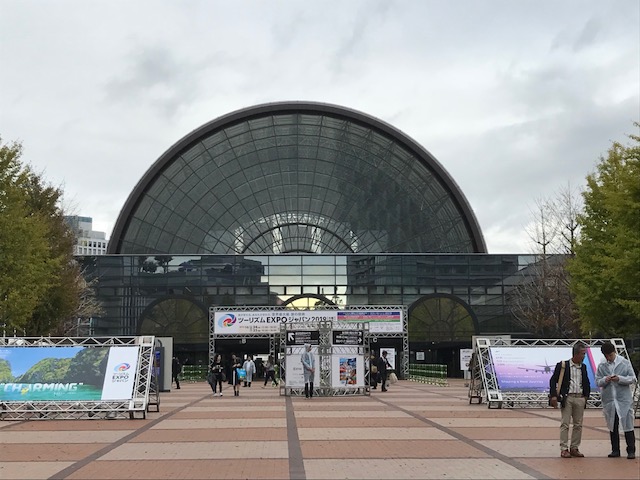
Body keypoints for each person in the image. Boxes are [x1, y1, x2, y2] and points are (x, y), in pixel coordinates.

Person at [549, 342, 591, 458]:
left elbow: (586, 381)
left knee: (578, 424)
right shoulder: (563, 365)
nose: (584, 356)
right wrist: (553, 395)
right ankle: (564, 448)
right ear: (576, 354)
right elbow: (553, 380)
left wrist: (586, 396)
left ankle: (574, 447)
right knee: (565, 423)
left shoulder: (583, 367)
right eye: (583, 354)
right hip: (567, 397)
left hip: (580, 397)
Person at [596, 342, 637, 459]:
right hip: (609, 400)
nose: (608, 358)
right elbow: (598, 381)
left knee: (628, 424)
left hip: (623, 399)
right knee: (612, 424)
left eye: (610, 355)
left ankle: (631, 450)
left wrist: (620, 379)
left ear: (614, 352)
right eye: (606, 356)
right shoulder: (602, 365)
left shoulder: (624, 363)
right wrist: (605, 379)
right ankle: (615, 449)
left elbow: (632, 378)